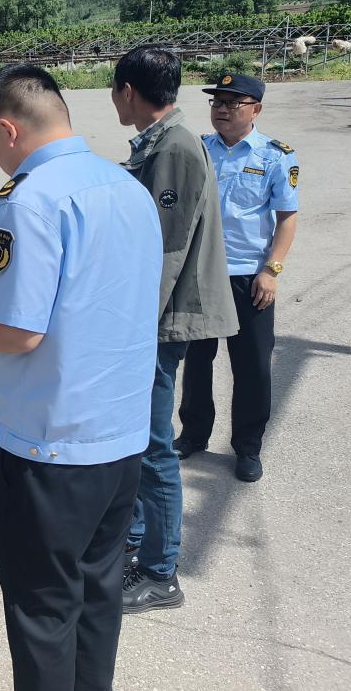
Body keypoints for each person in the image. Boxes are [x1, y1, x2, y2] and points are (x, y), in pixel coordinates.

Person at [0, 65, 160, 691]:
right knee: (97, 593)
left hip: (50, 447)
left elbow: (20, 334)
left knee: (42, 609)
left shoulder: (28, 199)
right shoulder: (126, 187)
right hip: (121, 437)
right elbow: (92, 289)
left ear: (8, 128)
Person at [110, 46, 237, 614]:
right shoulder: (161, 141)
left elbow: (164, 250)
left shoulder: (176, 146)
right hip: (156, 319)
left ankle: (161, 573)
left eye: (115, 92)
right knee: (140, 441)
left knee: (153, 447)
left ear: (128, 91)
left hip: (161, 322)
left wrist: (131, 329)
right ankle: (136, 542)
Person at [177, 72, 299, 483]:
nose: (222, 109)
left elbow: (287, 218)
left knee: (252, 367)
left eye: (233, 103)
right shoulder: (198, 149)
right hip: (201, 273)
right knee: (197, 361)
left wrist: (272, 269)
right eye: (217, 102)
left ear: (256, 109)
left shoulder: (275, 157)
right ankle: (193, 434)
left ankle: (248, 447)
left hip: (249, 278)